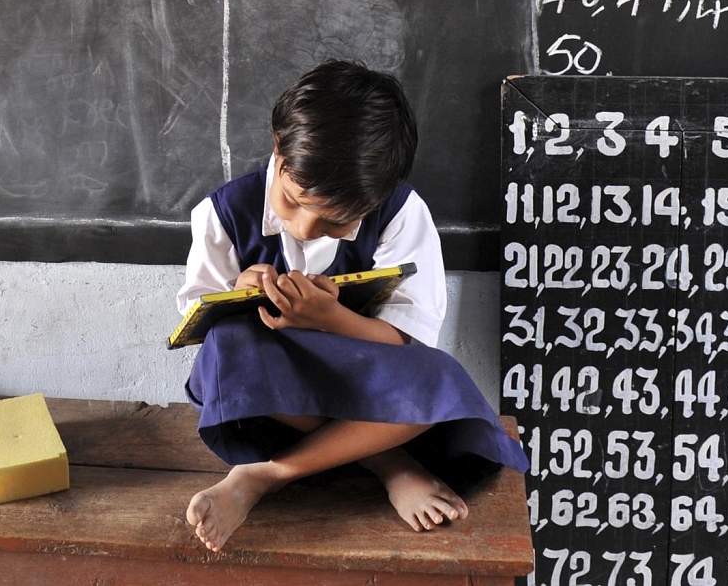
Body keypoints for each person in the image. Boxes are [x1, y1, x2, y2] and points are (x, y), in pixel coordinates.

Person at [178, 59, 527, 552]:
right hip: (269, 397)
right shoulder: (222, 214)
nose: (302, 228)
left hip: (367, 385)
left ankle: (263, 476)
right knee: (230, 344)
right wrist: (238, 288)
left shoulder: (402, 214)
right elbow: (199, 321)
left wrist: (332, 320)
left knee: (438, 375)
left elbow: (408, 338)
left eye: (334, 223)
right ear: (279, 151)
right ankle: (392, 463)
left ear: (373, 199)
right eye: (293, 201)